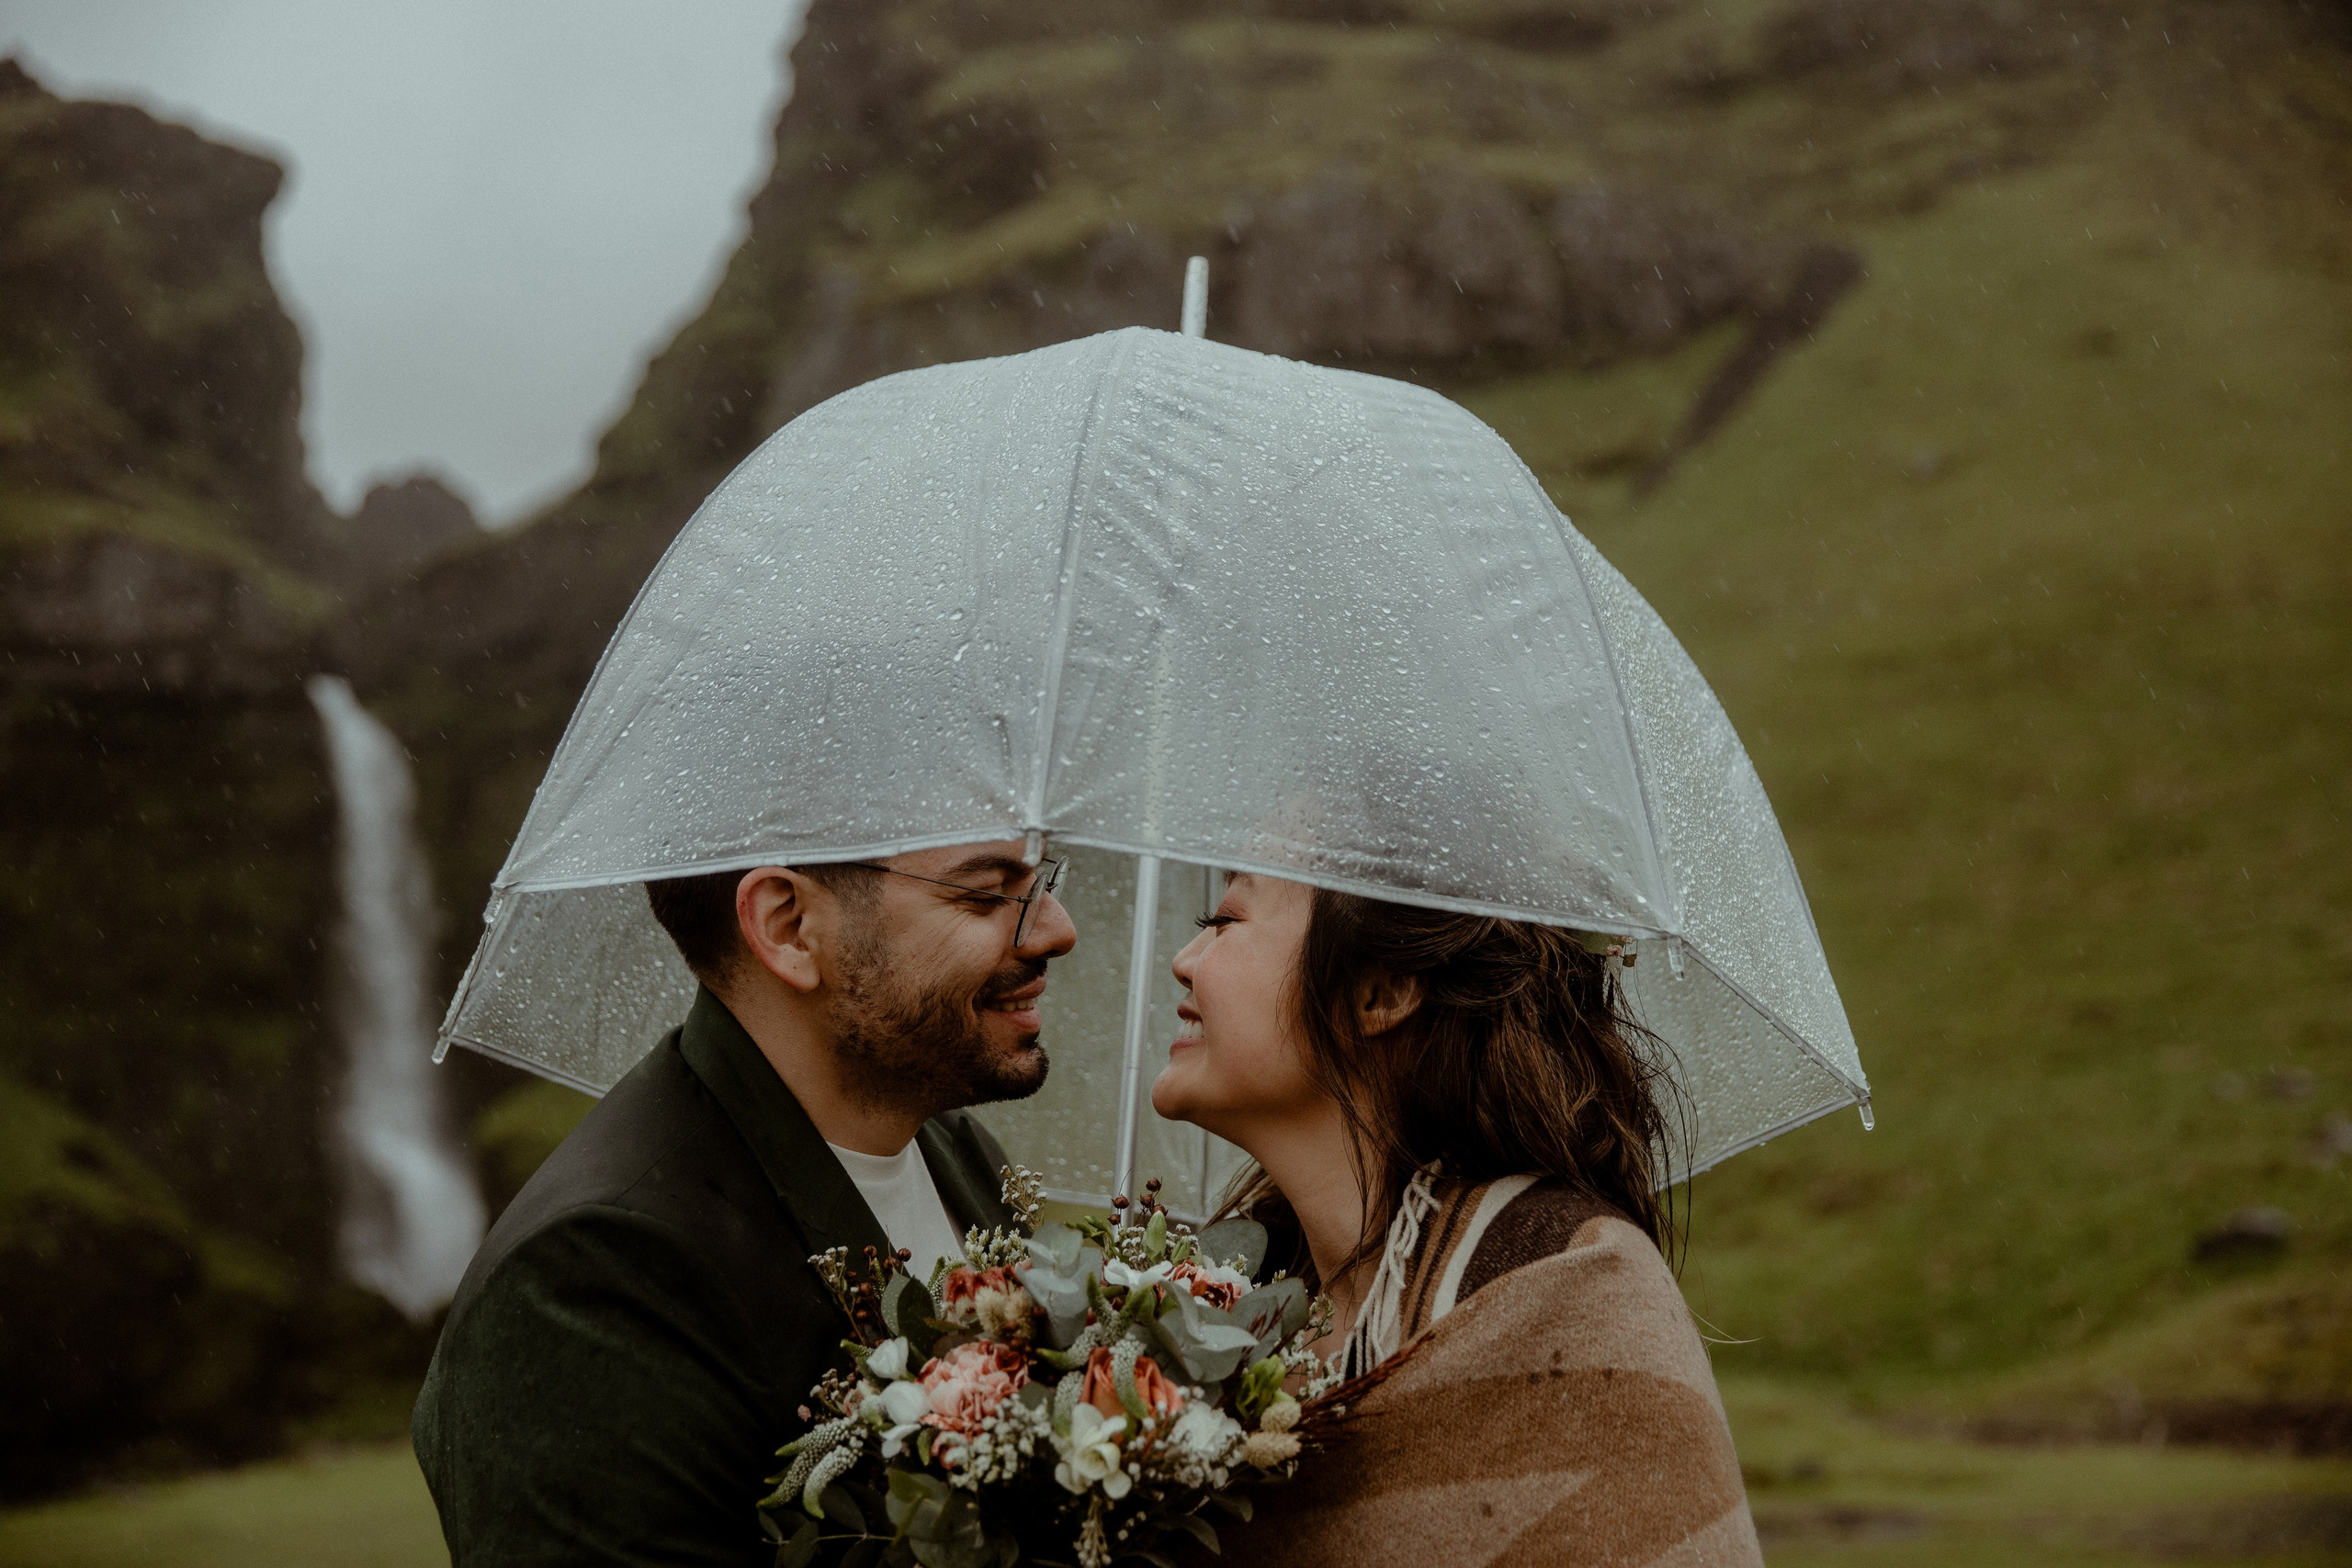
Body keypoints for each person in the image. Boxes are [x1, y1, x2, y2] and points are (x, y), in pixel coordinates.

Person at [413, 844, 1076, 1566]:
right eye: (985, 895)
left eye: (1044, 878)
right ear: (788, 926)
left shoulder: (961, 1151)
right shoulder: (590, 1283)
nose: (1054, 928)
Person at [1153, 871, 1763, 1567]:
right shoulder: (1218, 1313)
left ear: (1379, 991)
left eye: (1225, 917)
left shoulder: (1572, 1286)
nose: (1185, 958)